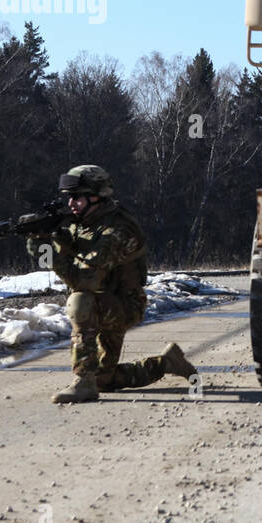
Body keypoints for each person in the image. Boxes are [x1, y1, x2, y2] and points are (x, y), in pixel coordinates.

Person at [33, 165, 198, 404]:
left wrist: (52, 250)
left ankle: (83, 381)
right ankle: (167, 363)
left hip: (124, 305)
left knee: (79, 301)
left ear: (97, 196)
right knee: (105, 380)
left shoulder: (118, 231)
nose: (71, 204)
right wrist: (43, 242)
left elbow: (83, 282)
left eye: (77, 197)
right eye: (69, 197)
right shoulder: (81, 223)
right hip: (102, 302)